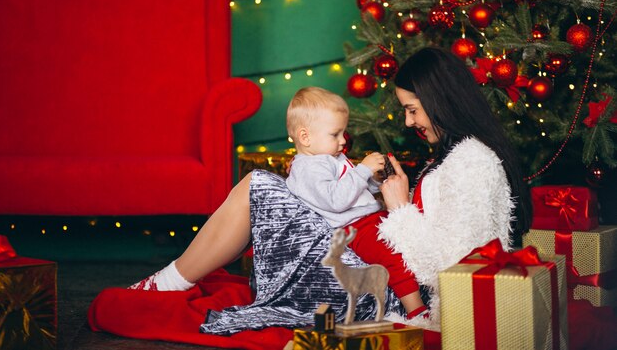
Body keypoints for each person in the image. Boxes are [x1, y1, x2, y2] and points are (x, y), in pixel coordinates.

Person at [100, 46, 531, 336]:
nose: (408, 122)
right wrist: (388, 202)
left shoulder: (473, 161)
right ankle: (172, 279)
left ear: (441, 101)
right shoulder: (462, 155)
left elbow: (457, 269)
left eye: (412, 110)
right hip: (383, 274)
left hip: (390, 299)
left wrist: (398, 209)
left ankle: (169, 282)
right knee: (262, 187)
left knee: (259, 186)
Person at [284, 86, 426, 319]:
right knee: (393, 257)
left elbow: (354, 189)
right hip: (355, 227)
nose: (342, 141)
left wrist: (374, 179)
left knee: (410, 242)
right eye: (335, 134)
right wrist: (362, 170)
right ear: (305, 137)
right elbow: (336, 199)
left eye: (343, 133)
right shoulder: (308, 168)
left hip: (368, 218)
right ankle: (417, 312)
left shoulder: (328, 156)